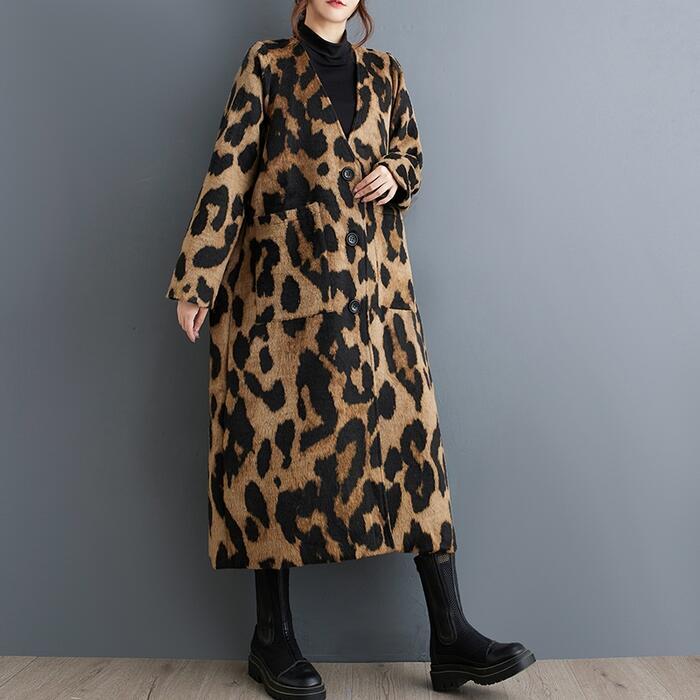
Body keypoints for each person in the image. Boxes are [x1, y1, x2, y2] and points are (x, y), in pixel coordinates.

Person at [165, 1, 535, 696]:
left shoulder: (386, 73)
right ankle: (271, 638)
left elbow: (412, 153)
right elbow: (230, 170)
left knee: (414, 449)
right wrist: (198, 279)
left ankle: (450, 636)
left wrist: (398, 172)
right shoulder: (267, 65)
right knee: (269, 451)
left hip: (376, 301)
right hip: (283, 300)